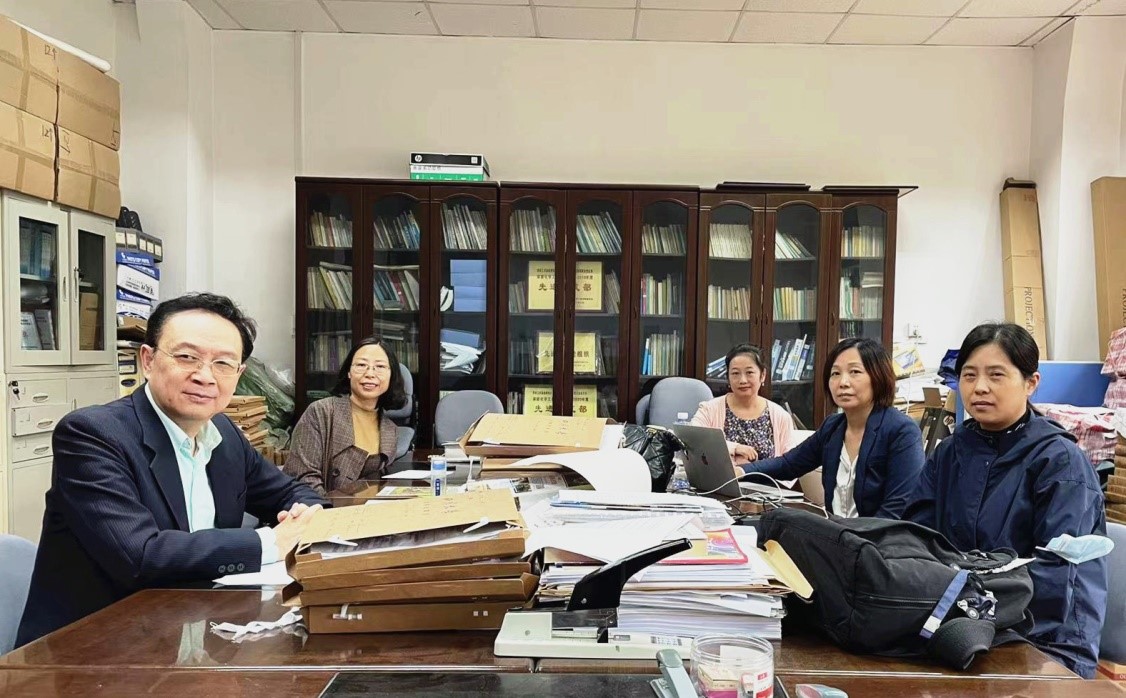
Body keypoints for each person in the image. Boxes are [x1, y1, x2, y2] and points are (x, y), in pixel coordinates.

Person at [16, 293, 327, 646]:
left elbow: (290, 492)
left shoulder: (223, 433)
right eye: (187, 357)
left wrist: (308, 517)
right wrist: (272, 542)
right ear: (148, 360)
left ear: (239, 374)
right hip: (93, 647)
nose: (205, 376)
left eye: (223, 363)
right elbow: (142, 555)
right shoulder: (92, 435)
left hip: (196, 628)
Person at [902, 323, 1107, 678]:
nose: (980, 387)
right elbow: (916, 541)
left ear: (1031, 383)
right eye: (969, 375)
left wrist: (971, 616)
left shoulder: (1059, 462)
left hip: (1044, 640)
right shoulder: (950, 452)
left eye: (996, 375)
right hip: (959, 624)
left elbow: (1057, 580)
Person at [735, 337, 924, 519]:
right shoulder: (833, 427)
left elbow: (897, 510)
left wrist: (850, 537)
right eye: (835, 373)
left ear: (878, 377)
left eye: (855, 372)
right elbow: (789, 464)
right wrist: (741, 471)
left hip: (877, 538)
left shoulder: (901, 431)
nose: (843, 383)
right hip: (835, 532)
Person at [283, 338, 406, 495]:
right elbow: (302, 478)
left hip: (369, 508)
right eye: (361, 365)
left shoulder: (390, 430)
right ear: (349, 372)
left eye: (380, 367)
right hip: (321, 507)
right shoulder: (322, 412)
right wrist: (330, 507)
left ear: (391, 375)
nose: (370, 374)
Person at [691, 344, 794, 465]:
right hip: (720, 477)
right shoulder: (709, 409)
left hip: (768, 477)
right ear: (728, 377)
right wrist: (734, 448)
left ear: (762, 375)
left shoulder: (780, 416)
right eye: (735, 373)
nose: (743, 380)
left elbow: (790, 462)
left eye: (749, 372)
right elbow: (692, 439)